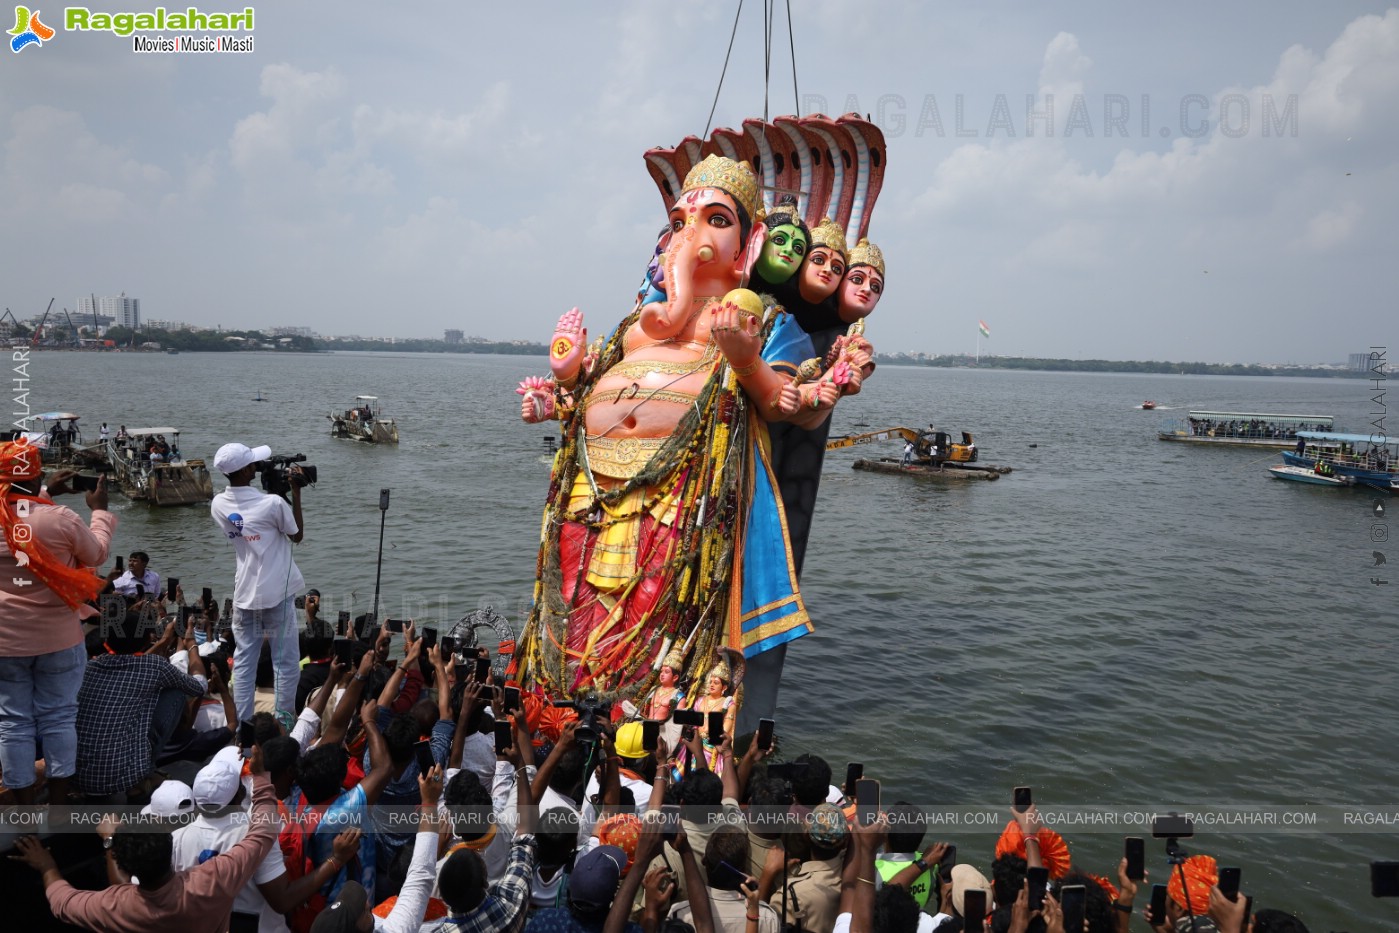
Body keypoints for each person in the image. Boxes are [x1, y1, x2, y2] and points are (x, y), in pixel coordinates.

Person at [12, 744, 281, 933]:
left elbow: (63, 902)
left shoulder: (116, 906)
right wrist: (261, 778)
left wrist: (47, 867)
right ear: (169, 843)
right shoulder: (210, 879)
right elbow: (261, 835)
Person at [0, 444, 115, 805]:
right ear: (35, 475)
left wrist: (45, 492)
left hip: (4, 643)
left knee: (13, 723)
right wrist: (99, 512)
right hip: (59, 639)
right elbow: (95, 553)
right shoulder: (61, 518)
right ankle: (60, 804)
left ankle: (24, 808)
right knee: (59, 718)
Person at [210, 441, 306, 722]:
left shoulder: (218, 504)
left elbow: (252, 521)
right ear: (247, 470)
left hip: (244, 593)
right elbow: (296, 535)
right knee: (285, 663)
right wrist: (295, 493)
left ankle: (243, 726)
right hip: (276, 594)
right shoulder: (273, 503)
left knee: (244, 662)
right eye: (253, 462)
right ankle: (284, 722)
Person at [75, 614, 209, 797]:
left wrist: (163, 642)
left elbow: (131, 662)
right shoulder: (155, 666)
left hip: (80, 775)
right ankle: (145, 772)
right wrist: (191, 644)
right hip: (122, 777)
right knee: (176, 693)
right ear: (147, 639)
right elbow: (199, 686)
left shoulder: (92, 666)